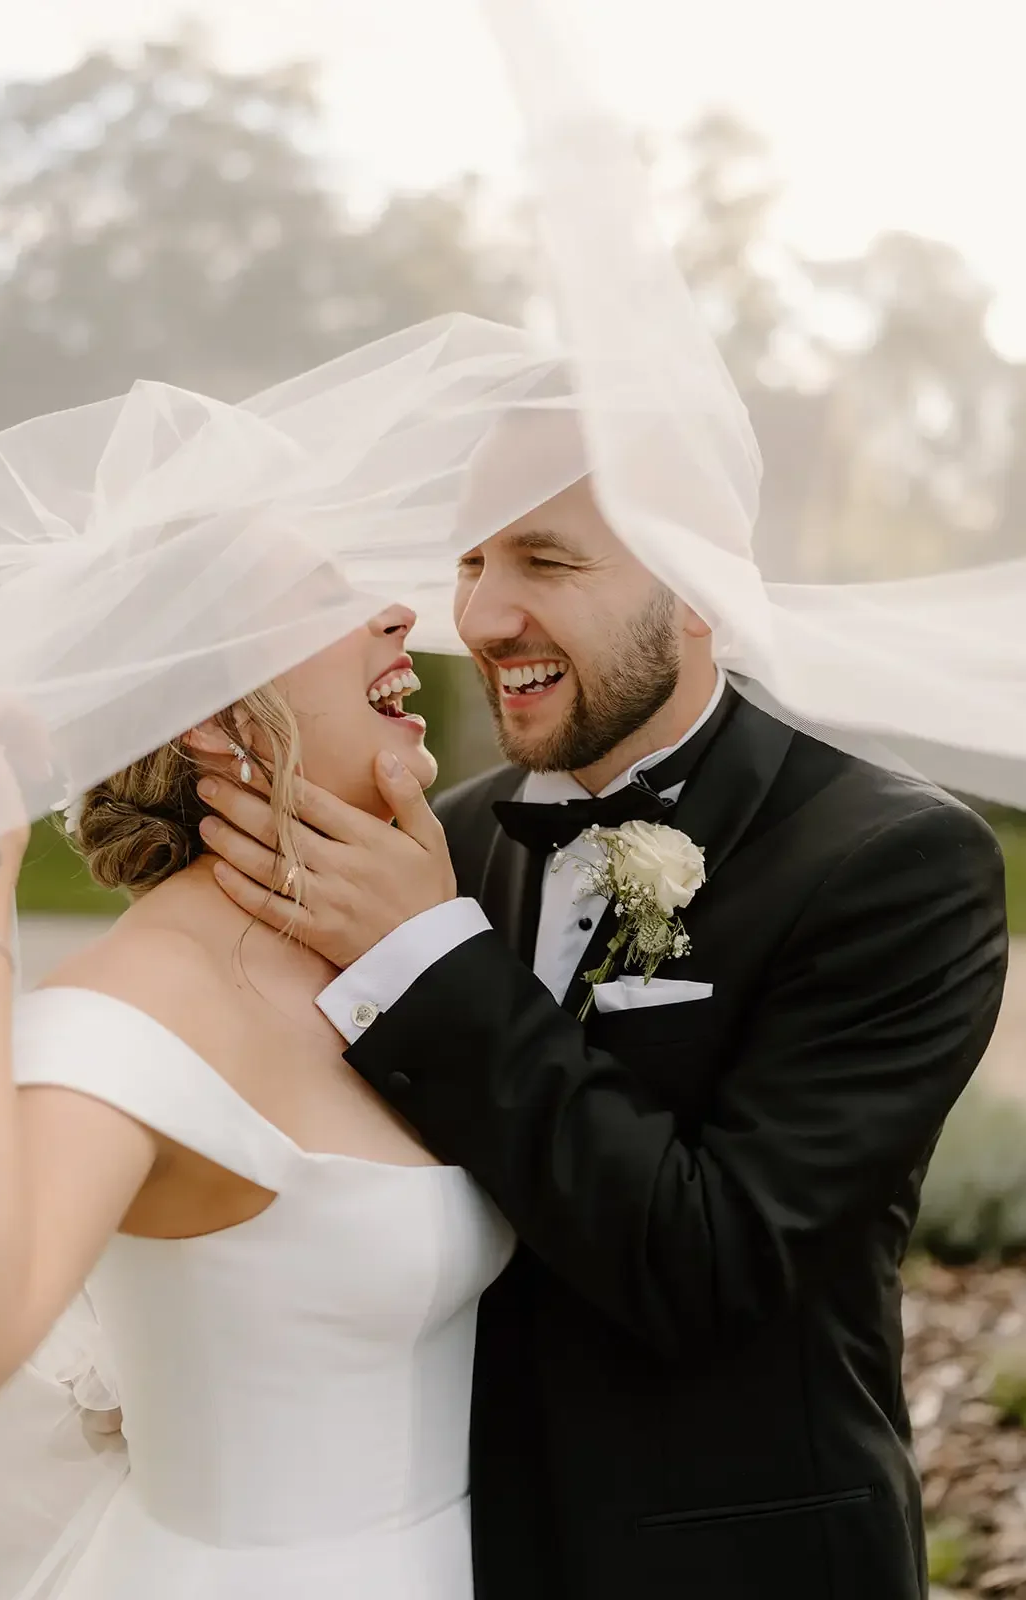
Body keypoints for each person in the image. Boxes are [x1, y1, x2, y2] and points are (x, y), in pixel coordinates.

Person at [205, 470, 1010, 1600]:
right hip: (447, 1551)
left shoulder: (895, 865)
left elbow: (713, 1260)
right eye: (473, 564)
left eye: (544, 560)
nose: (480, 617)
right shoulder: (439, 840)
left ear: (697, 586)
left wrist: (431, 962)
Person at [0, 602, 514, 1599]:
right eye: (325, 601)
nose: (397, 611)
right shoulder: (127, 1012)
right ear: (207, 716)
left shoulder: (408, 942)